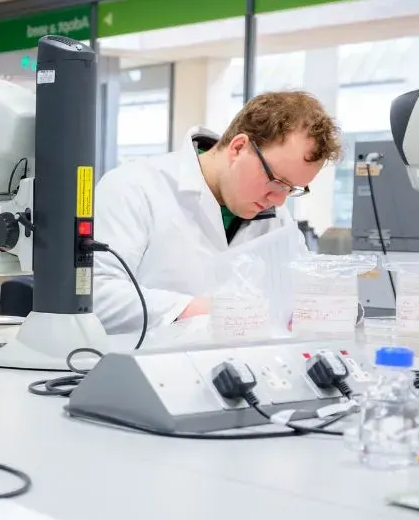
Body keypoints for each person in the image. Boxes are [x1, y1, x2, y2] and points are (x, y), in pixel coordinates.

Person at [93, 90, 342, 336]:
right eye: (276, 181)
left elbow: (301, 293)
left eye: (292, 188)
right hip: (144, 359)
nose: (278, 200)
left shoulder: (277, 217)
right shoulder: (134, 187)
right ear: (238, 148)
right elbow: (96, 295)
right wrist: (196, 310)